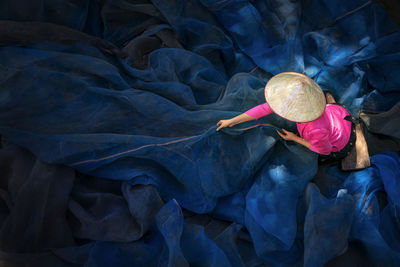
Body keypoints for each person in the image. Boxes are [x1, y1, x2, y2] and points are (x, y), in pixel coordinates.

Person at [216, 72, 355, 159]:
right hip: (336, 114)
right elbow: (263, 109)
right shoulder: (309, 101)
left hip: (341, 140)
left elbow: (325, 150)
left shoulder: (315, 130)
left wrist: (295, 138)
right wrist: (232, 121)